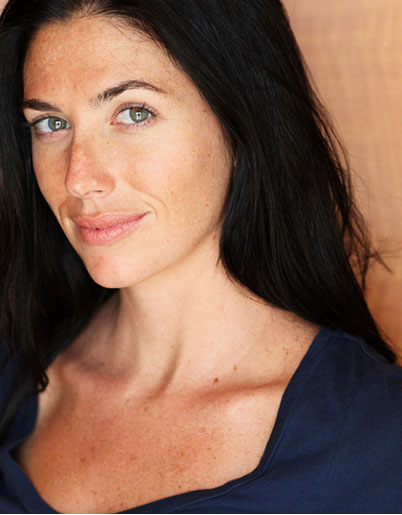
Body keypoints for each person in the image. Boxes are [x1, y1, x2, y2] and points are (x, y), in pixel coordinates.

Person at [0, 0, 401, 513]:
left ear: (241, 118)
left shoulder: (380, 443)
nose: (78, 179)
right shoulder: (14, 369)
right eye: (51, 124)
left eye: (134, 113)